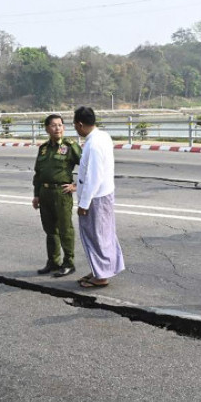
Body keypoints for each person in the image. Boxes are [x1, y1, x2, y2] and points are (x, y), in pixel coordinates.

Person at [71, 106, 124, 288]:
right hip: (104, 194)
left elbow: (94, 177)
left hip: (96, 198)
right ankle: (99, 270)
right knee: (105, 234)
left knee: (96, 237)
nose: (75, 129)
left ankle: (101, 276)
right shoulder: (103, 136)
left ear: (80, 124)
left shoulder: (93, 144)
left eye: (75, 125)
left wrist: (84, 204)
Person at [32, 114, 83, 278]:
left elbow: (87, 166)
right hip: (45, 193)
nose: (57, 128)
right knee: (50, 230)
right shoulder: (43, 148)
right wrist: (36, 195)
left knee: (65, 229)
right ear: (47, 128)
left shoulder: (70, 146)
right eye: (54, 125)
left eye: (60, 125)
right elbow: (38, 174)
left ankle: (69, 263)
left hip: (61, 193)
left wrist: (76, 186)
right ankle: (53, 262)